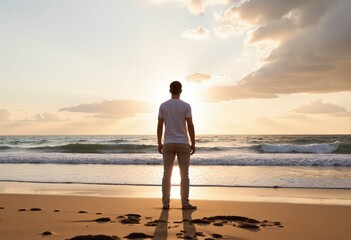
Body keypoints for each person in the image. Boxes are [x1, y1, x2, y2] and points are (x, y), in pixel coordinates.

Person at [157, 81, 196, 210]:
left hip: (168, 142)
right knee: (184, 174)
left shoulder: (163, 106)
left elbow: (159, 125)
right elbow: (190, 125)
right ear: (181, 90)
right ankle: (185, 203)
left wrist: (159, 142)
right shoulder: (186, 106)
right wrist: (193, 142)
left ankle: (165, 203)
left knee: (166, 174)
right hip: (183, 142)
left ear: (170, 90)